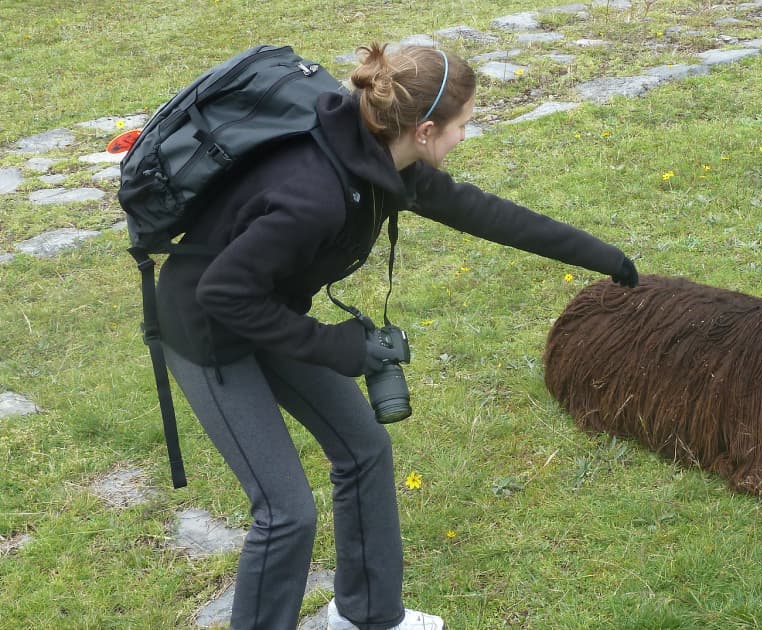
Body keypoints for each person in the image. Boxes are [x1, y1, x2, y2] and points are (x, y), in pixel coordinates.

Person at [155, 43, 638, 630]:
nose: (466, 136)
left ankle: (366, 615)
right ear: (426, 129)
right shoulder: (314, 194)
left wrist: (604, 257)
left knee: (364, 451)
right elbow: (223, 294)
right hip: (208, 333)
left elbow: (483, 212)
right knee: (286, 514)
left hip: (269, 307)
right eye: (463, 126)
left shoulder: (380, 158)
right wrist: (340, 348)